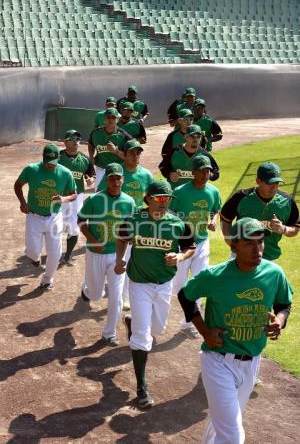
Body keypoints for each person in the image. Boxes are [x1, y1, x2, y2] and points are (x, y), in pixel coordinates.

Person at [178, 217, 293, 444]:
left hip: (252, 362)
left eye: (260, 242)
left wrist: (279, 321)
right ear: (234, 245)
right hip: (218, 361)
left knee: (223, 422)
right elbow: (185, 295)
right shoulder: (215, 276)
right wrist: (204, 331)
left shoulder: (273, 273)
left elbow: (284, 304)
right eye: (250, 242)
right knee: (232, 435)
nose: (257, 248)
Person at [115, 180, 195, 408]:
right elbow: (121, 238)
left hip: (164, 284)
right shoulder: (133, 221)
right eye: (159, 198)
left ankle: (133, 324)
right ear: (148, 198)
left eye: (167, 199)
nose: (163, 203)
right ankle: (141, 387)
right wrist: (120, 259)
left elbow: (191, 247)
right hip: (139, 283)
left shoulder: (179, 224)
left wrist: (179, 257)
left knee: (157, 330)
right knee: (143, 338)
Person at [78, 163, 135, 347]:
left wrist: (132, 239)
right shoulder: (94, 199)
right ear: (106, 179)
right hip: (95, 253)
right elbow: (80, 220)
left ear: (123, 179)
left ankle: (109, 333)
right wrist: (92, 239)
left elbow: (130, 227)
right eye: (112, 177)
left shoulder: (129, 202)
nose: (115, 181)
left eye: (119, 177)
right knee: (95, 295)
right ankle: (87, 290)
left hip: (117, 254)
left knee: (116, 295)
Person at [97, 139, 154, 310]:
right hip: (113, 221)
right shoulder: (116, 173)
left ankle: (125, 296)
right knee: (106, 256)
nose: (136, 156)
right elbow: (101, 193)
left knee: (130, 259)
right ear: (124, 154)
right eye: (131, 153)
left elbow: (152, 197)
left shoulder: (146, 175)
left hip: (135, 223)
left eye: (138, 153)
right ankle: (94, 283)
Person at [170, 155, 222, 338]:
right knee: (178, 284)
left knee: (201, 281)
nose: (206, 174)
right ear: (193, 172)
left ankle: (188, 322)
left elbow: (216, 209)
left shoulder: (213, 191)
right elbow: (170, 213)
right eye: (201, 170)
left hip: (202, 242)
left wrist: (213, 220)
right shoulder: (180, 192)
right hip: (183, 244)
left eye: (208, 170)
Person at [14, 143, 77, 289]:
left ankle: (47, 280)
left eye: (54, 162)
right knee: (33, 252)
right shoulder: (31, 169)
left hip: (54, 216)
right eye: (48, 162)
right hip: (34, 216)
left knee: (55, 254)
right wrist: (23, 202)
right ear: (43, 158)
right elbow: (18, 185)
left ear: (59, 158)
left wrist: (63, 199)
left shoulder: (65, 173)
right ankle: (35, 259)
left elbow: (73, 194)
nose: (51, 165)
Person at [220, 161, 299, 261]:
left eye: (277, 182)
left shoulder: (287, 201)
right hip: (240, 255)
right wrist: (230, 241)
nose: (274, 186)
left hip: (269, 258)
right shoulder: (241, 197)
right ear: (258, 181)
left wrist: (283, 229)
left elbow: (295, 228)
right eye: (269, 182)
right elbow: (225, 218)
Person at [59, 130, 95, 265]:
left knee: (74, 228)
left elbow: (91, 174)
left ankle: (67, 255)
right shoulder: (57, 157)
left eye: (78, 138)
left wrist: (91, 179)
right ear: (65, 141)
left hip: (77, 197)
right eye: (72, 138)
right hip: (60, 196)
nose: (76, 141)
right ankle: (53, 252)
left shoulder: (85, 159)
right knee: (55, 226)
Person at [159, 124, 220, 189]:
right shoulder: (175, 151)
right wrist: (169, 174)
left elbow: (216, 171)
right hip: (176, 193)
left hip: (195, 193)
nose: (195, 139)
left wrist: (209, 175)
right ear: (186, 137)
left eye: (198, 136)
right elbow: (162, 166)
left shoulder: (204, 154)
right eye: (192, 136)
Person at [88, 107, 126, 189]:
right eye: (108, 117)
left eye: (113, 117)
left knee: (116, 193)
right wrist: (91, 156)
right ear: (104, 119)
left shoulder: (124, 136)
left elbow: (128, 156)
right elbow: (91, 144)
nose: (110, 119)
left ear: (117, 119)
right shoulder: (96, 133)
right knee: (99, 194)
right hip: (101, 168)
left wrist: (116, 151)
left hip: (117, 170)